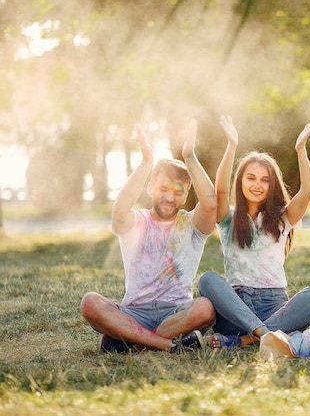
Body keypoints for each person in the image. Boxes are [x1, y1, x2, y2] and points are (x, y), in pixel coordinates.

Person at [80, 120, 218, 353]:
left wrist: (190, 157)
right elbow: (120, 208)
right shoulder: (136, 221)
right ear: (150, 187)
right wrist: (146, 163)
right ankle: (168, 344)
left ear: (185, 197)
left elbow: (212, 204)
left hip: (176, 313)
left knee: (205, 309)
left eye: (177, 192)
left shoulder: (192, 224)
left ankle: (128, 339)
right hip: (134, 312)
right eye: (163, 189)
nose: (169, 197)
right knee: (90, 303)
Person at [197, 115, 310, 349]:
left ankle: (246, 341)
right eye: (251, 178)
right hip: (236, 311)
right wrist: (231, 146)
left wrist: (300, 150)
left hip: (275, 305)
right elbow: (220, 190)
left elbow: (307, 191)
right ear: (241, 181)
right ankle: (266, 334)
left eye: (264, 180)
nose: (257, 185)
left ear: (272, 185)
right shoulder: (228, 219)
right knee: (208, 279)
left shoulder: (281, 218)